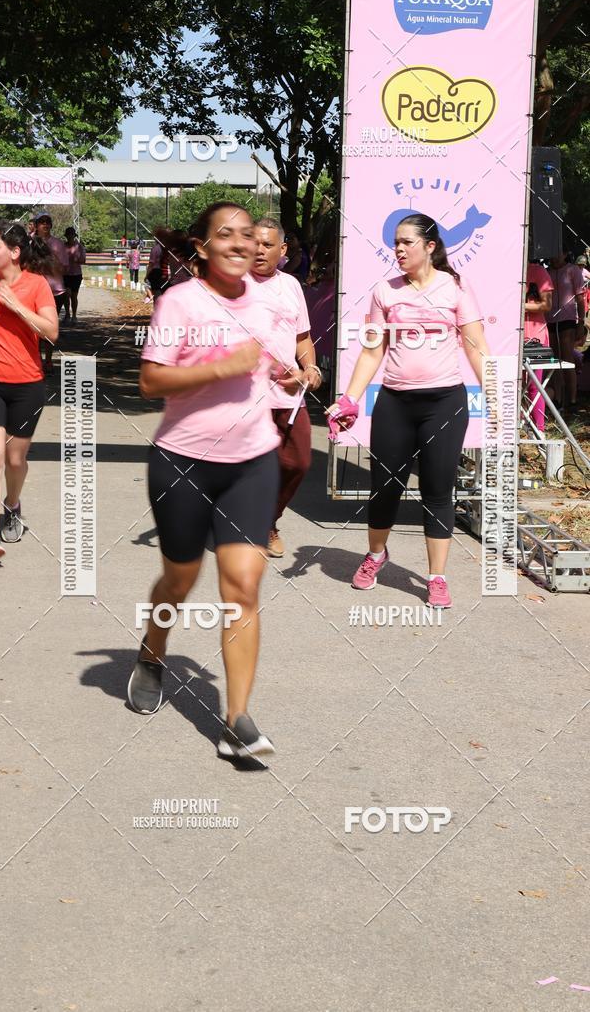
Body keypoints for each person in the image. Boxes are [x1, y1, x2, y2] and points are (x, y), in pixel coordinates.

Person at [129, 201, 281, 760]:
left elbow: (268, 367)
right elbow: (150, 381)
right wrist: (221, 367)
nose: (241, 243)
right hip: (185, 461)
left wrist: (293, 373)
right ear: (202, 246)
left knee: (242, 586)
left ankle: (236, 719)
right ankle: (152, 652)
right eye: (226, 235)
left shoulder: (269, 302)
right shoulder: (180, 301)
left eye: (248, 235)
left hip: (253, 461)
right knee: (179, 580)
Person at [327, 212, 491, 610]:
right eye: (395, 243)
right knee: (386, 487)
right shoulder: (385, 292)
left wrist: (499, 394)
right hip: (395, 403)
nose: (397, 250)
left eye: (405, 242)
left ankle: (436, 577)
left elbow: (476, 346)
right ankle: (376, 556)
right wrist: (349, 398)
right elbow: (372, 351)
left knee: (438, 490)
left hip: (445, 405)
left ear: (429, 246)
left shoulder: (455, 288)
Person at [251, 217, 321, 556]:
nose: (259, 249)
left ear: (282, 251)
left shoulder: (291, 285)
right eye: (254, 242)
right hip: (244, 396)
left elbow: (302, 337)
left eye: (267, 245)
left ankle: (267, 519)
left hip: (290, 395)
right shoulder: (233, 286)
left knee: (297, 462)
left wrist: (309, 366)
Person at [0, 221, 59, 559]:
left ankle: (12, 504)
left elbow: (52, 333)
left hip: (27, 385)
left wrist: (14, 304)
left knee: (15, 460)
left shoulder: (36, 286)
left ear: (14, 253)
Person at [547, 252, 587, 413]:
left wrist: (581, 322)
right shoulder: (548, 272)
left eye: (558, 254)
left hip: (567, 320)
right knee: (553, 360)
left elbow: (580, 298)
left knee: (567, 358)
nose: (555, 257)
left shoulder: (573, 270)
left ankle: (572, 399)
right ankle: (558, 398)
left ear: (565, 254)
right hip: (549, 320)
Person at [33, 212, 68, 373]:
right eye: (42, 222)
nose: (45, 225)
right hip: (33, 290)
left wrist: (50, 258)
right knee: (33, 327)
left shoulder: (58, 244)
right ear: (36, 225)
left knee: (50, 327)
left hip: (55, 290)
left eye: (48, 222)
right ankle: (36, 359)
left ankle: (48, 360)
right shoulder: (29, 242)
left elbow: (64, 268)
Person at [524, 262, 553, 433]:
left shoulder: (538, 271)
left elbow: (547, 305)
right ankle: (518, 426)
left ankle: (539, 429)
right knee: (512, 383)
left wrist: (520, 306)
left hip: (536, 334)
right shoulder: (504, 267)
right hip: (509, 335)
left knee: (535, 384)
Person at [63, 227, 86, 324]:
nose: (70, 237)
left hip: (76, 274)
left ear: (74, 236)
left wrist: (75, 260)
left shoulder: (79, 247)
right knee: (66, 294)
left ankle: (74, 316)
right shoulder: (62, 246)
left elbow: (83, 260)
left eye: (71, 235)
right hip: (65, 274)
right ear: (66, 236)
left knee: (73, 296)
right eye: (68, 235)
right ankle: (67, 314)